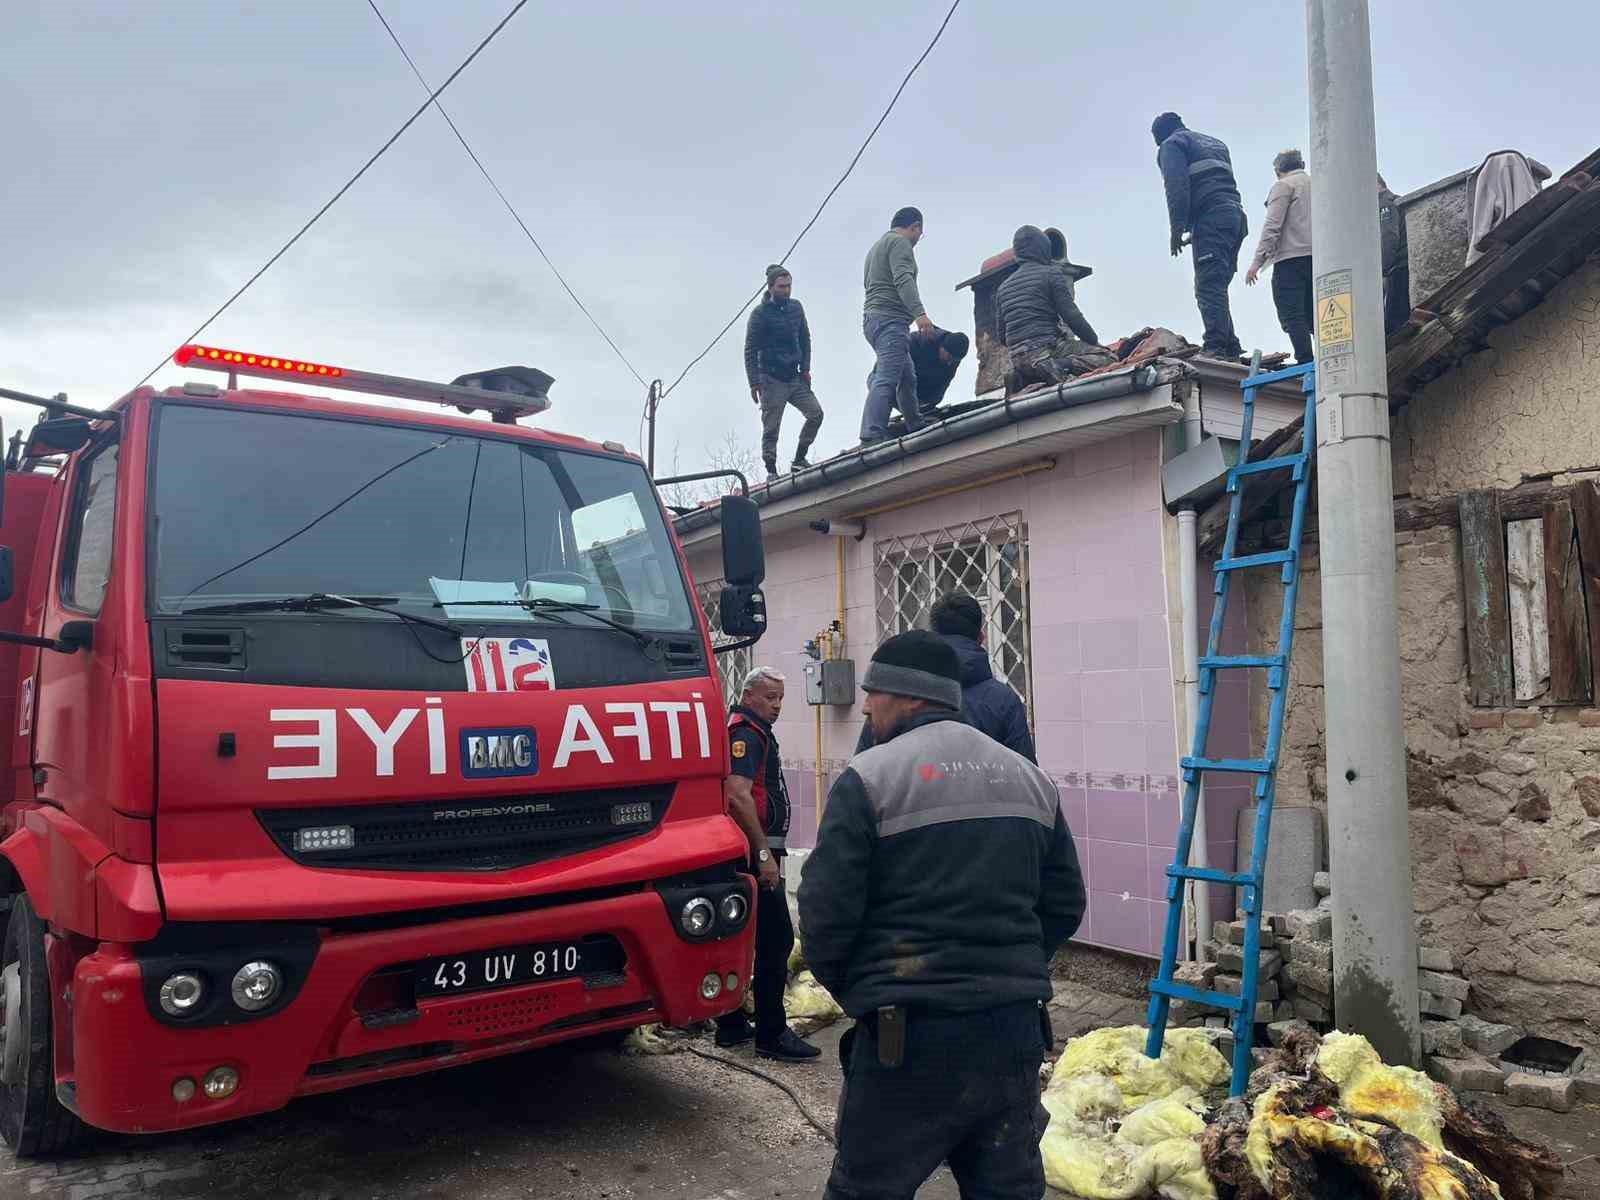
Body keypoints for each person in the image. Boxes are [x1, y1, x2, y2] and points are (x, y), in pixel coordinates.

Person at [799, 631, 1086, 1200]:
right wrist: (1010, 970)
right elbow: (1064, 903)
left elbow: (825, 914)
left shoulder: (871, 778)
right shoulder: (1029, 778)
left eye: (874, 692)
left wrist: (861, 988)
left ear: (910, 697)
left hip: (907, 1038)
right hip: (1011, 1032)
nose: (866, 706)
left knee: (867, 1190)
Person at [715, 667, 821, 1062]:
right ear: (749, 696)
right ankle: (771, 1033)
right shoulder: (746, 734)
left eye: (780, 698)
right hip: (753, 856)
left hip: (746, 854)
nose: (777, 706)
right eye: (770, 697)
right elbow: (737, 795)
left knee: (740, 938)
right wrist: (763, 856)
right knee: (776, 941)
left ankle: (730, 1025)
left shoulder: (753, 730)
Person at [855, 592, 1035, 762]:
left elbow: (860, 770)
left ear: (933, 636)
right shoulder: (1004, 701)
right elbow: (1025, 771)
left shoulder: (901, 697)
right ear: (981, 638)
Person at [1152, 112, 1248, 361]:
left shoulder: (1172, 144)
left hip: (1212, 219)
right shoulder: (1215, 143)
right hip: (1235, 218)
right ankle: (1231, 345)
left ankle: (1216, 346)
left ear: (1159, 135)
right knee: (1217, 285)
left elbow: (1176, 186)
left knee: (1208, 286)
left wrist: (1177, 229)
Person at [995, 225, 1113, 390]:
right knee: (1107, 357)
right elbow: (1072, 317)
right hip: (1048, 350)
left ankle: (1020, 375)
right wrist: (1094, 342)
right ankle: (1058, 365)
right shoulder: (1051, 273)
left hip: (1017, 359)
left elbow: (1002, 336)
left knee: (1035, 362)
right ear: (1043, 249)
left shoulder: (1002, 289)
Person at [861, 207, 938, 444]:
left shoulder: (876, 247)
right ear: (915, 227)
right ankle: (871, 434)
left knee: (907, 377)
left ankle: (914, 422)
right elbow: (903, 278)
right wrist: (920, 314)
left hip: (874, 320)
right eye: (919, 234)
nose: (917, 239)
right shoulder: (900, 243)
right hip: (890, 320)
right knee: (887, 377)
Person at [744, 265, 823, 478]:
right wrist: (754, 382)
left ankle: (799, 458)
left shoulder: (796, 307)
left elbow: (805, 338)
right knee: (771, 429)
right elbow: (750, 350)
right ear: (771, 288)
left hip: (794, 375)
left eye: (789, 286)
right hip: (770, 378)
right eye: (781, 287)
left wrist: (805, 368)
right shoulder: (759, 315)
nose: (786, 290)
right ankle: (771, 470)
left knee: (815, 414)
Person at [1245, 150, 1315, 364]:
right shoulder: (1319, 183)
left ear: (1278, 170)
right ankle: (1326, 359)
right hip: (1319, 257)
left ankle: (1305, 360)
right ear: (1302, 164)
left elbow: (1272, 226)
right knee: (1315, 312)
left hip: (1290, 259)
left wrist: (1256, 263)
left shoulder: (1284, 186)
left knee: (1292, 313)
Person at [906, 328, 969, 416]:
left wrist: (929, 405)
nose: (949, 363)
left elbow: (943, 384)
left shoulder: (952, 360)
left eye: (953, 360)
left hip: (921, 390)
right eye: (949, 357)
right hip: (896, 376)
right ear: (943, 347)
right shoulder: (917, 341)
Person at [1378, 174, 1411, 338]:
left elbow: (1389, 238)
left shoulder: (1385, 204)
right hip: (1400, 269)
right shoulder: (1393, 201)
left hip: (1399, 269)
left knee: (1395, 328)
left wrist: (1381, 270)